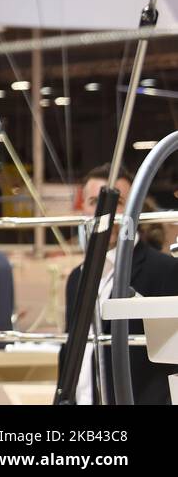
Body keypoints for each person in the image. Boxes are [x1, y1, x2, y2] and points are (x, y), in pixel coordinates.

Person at [59, 165, 178, 404]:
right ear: (83, 209)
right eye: (94, 202)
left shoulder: (164, 270)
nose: (105, 212)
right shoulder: (76, 278)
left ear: (135, 209)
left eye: (118, 202)